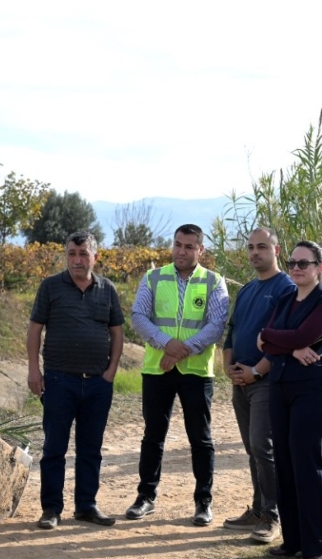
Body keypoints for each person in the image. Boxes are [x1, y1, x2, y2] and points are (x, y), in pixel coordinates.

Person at [126, 224, 229, 527]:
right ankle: (145, 497)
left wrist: (182, 350)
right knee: (153, 436)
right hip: (158, 370)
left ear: (201, 250)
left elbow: (216, 323)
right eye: (178, 245)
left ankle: (203, 501)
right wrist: (166, 344)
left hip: (196, 372)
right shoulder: (154, 278)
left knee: (201, 439)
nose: (181, 251)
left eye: (189, 246)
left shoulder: (214, 282)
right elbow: (138, 316)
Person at [27, 231, 125, 530]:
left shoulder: (107, 290)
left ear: (95, 256)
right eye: (72, 253)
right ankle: (51, 509)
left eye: (83, 254)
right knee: (54, 447)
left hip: (97, 384)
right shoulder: (50, 287)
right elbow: (34, 330)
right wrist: (34, 370)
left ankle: (86, 506)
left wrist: (110, 372)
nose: (77, 260)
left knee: (90, 448)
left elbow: (117, 332)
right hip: (59, 382)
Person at [256, 240, 322, 558]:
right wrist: (289, 347)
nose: (295, 268)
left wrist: (273, 338)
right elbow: (264, 340)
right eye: (292, 262)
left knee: (307, 465)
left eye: (303, 263)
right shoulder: (284, 298)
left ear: (320, 268)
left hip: (313, 389)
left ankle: (316, 547)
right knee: (284, 463)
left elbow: (298, 336)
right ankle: (292, 542)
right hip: (281, 386)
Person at [221, 228, 292, 543]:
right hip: (240, 382)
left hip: (266, 382)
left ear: (276, 250)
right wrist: (228, 365)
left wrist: (257, 373)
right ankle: (258, 507)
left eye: (262, 247)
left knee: (264, 448)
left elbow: (283, 341)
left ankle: (272, 516)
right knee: (252, 449)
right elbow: (232, 331)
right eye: (250, 247)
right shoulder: (248, 289)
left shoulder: (286, 288)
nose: (255, 253)